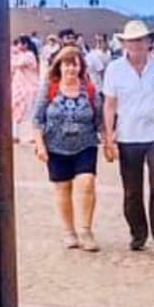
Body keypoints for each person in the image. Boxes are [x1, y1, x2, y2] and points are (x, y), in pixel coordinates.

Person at [103, 19, 154, 258]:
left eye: (140, 40)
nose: (136, 45)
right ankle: (138, 232)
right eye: (131, 41)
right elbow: (110, 104)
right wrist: (110, 136)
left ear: (148, 42)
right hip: (128, 134)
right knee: (132, 189)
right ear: (124, 44)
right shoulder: (114, 69)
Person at [32, 46, 102, 251]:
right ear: (60, 66)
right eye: (67, 64)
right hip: (56, 146)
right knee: (63, 188)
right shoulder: (50, 88)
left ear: (81, 67)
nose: (71, 69)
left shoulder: (89, 89)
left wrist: (108, 141)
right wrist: (39, 145)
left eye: (75, 64)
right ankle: (69, 231)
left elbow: (99, 120)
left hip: (85, 144)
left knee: (86, 181)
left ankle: (86, 230)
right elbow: (37, 119)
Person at [9, 36, 41, 144]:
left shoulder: (29, 55)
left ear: (25, 44)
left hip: (29, 88)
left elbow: (16, 64)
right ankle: (15, 135)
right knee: (16, 111)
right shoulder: (20, 55)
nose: (17, 46)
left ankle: (33, 136)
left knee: (30, 112)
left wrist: (12, 53)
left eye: (20, 43)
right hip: (19, 87)